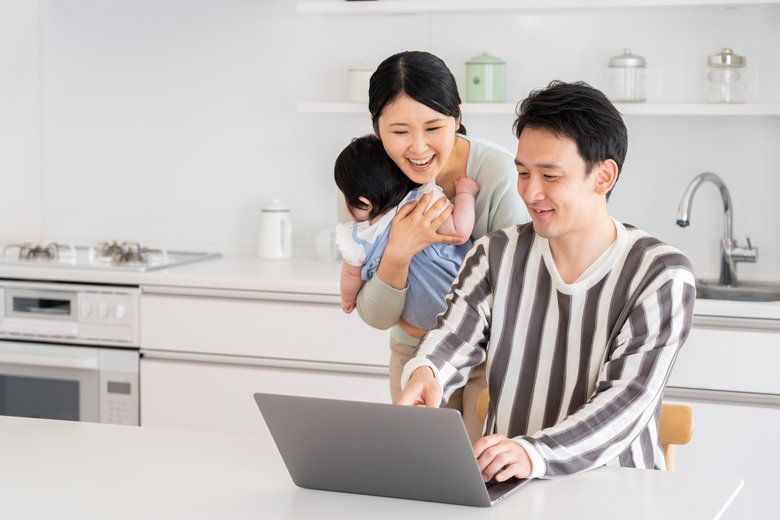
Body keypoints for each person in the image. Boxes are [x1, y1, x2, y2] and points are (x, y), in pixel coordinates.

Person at [397, 81, 696, 483]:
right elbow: (453, 334)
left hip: (617, 491)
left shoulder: (659, 275)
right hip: (508, 486)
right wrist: (427, 372)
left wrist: (534, 452)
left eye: (550, 176)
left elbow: (627, 400)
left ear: (603, 176)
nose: (530, 192)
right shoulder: (495, 254)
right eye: (522, 172)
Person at [348, 51, 528, 442]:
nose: (418, 148)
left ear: (457, 116)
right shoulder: (371, 179)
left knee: (484, 482)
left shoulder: (499, 176)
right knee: (421, 478)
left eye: (433, 128)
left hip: (490, 360)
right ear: (376, 126)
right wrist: (398, 251)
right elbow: (376, 317)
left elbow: (518, 294)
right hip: (411, 356)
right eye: (399, 132)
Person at [334, 134, 479, 340]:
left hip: (419, 322)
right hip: (463, 305)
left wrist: (348, 299)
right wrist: (466, 194)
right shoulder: (423, 202)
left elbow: (350, 275)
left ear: (364, 202)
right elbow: (459, 232)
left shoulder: (359, 237)